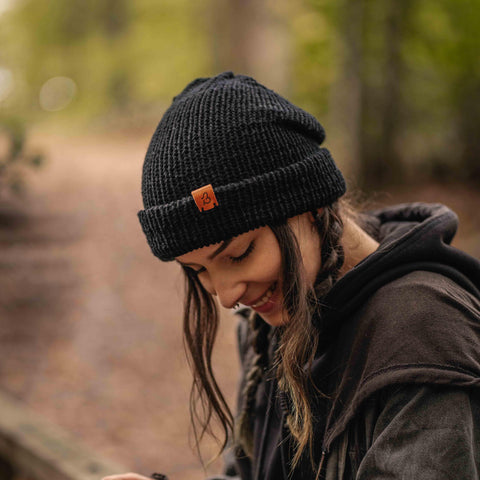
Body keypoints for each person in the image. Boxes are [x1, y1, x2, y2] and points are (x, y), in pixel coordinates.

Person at [104, 72, 480, 480]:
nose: (227, 295)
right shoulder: (273, 314)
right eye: (198, 272)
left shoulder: (422, 334)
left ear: (311, 206)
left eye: (239, 253)